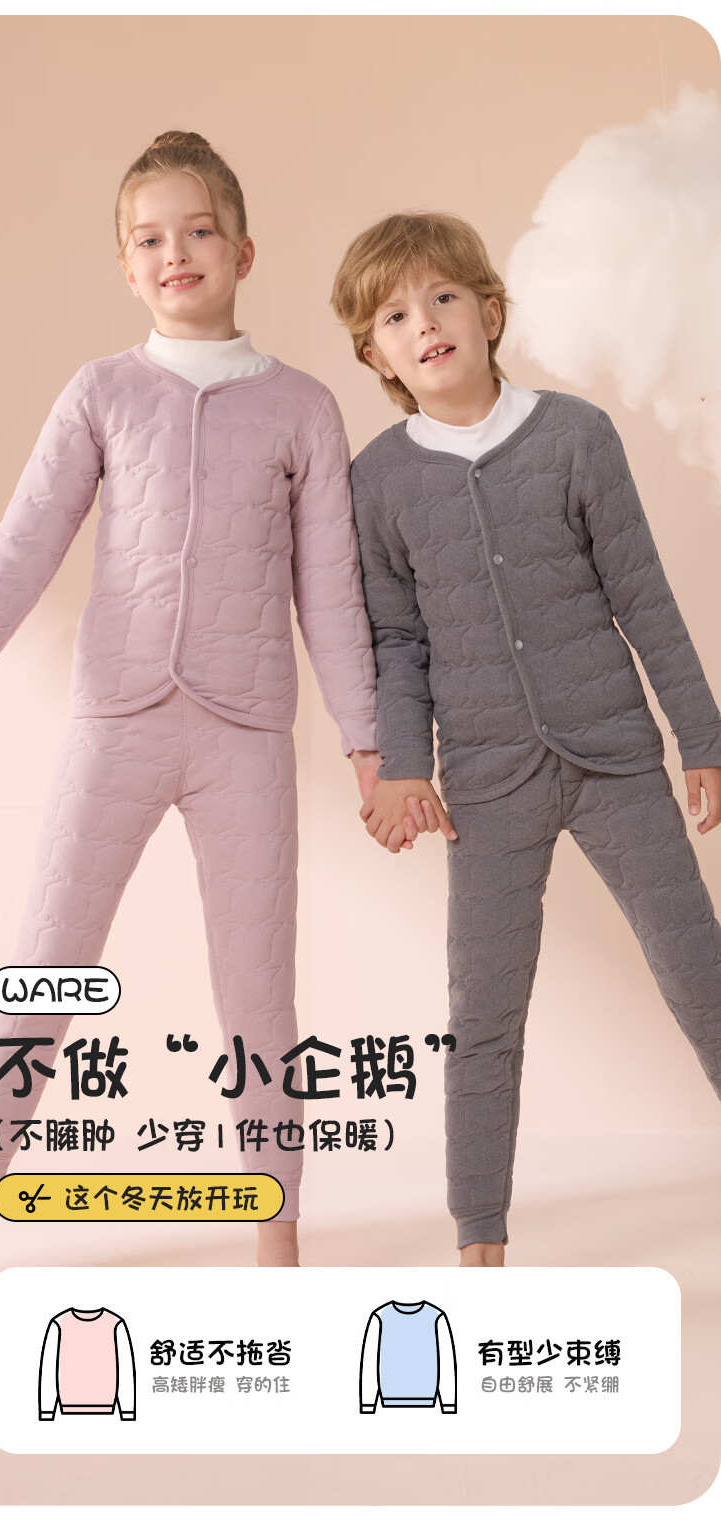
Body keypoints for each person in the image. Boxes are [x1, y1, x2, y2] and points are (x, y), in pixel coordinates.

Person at [0, 130, 381, 1345]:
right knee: (44, 972)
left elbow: (331, 594)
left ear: (243, 250)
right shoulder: (101, 394)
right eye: (148, 237)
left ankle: (278, 1252)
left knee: (258, 997)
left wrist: (368, 745)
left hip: (246, 735)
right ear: (124, 267)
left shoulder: (301, 407)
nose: (175, 251)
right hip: (117, 722)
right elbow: (24, 540)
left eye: (197, 230)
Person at [331, 210, 721, 1266]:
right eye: (395, 317)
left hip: (613, 760)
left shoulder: (574, 436)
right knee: (484, 1014)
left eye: (443, 299)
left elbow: (643, 596)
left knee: (697, 969)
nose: (425, 324)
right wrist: (403, 766)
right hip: (487, 782)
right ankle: (479, 1246)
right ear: (375, 356)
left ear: (491, 313)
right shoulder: (378, 482)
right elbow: (397, 640)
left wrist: (701, 736)